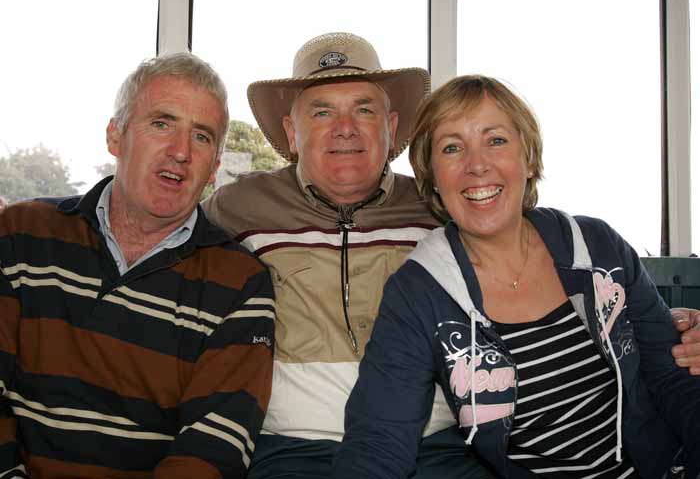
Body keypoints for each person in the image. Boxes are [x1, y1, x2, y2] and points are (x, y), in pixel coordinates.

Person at [334, 75, 700, 478]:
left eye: (496, 140)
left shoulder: (598, 247)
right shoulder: (419, 292)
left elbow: (675, 377)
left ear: (528, 159)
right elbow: (380, 439)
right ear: (433, 179)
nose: (477, 165)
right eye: (452, 147)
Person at [203, 33, 491, 478]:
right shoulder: (236, 208)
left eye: (363, 109)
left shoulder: (439, 208)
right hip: (293, 448)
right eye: (322, 112)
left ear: (391, 127)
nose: (345, 128)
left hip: (432, 445)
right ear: (290, 133)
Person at [0, 53, 275, 478]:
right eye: (161, 123)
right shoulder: (21, 235)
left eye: (201, 136)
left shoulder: (241, 283)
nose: (181, 152)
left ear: (215, 166)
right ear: (116, 136)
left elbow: (213, 448)